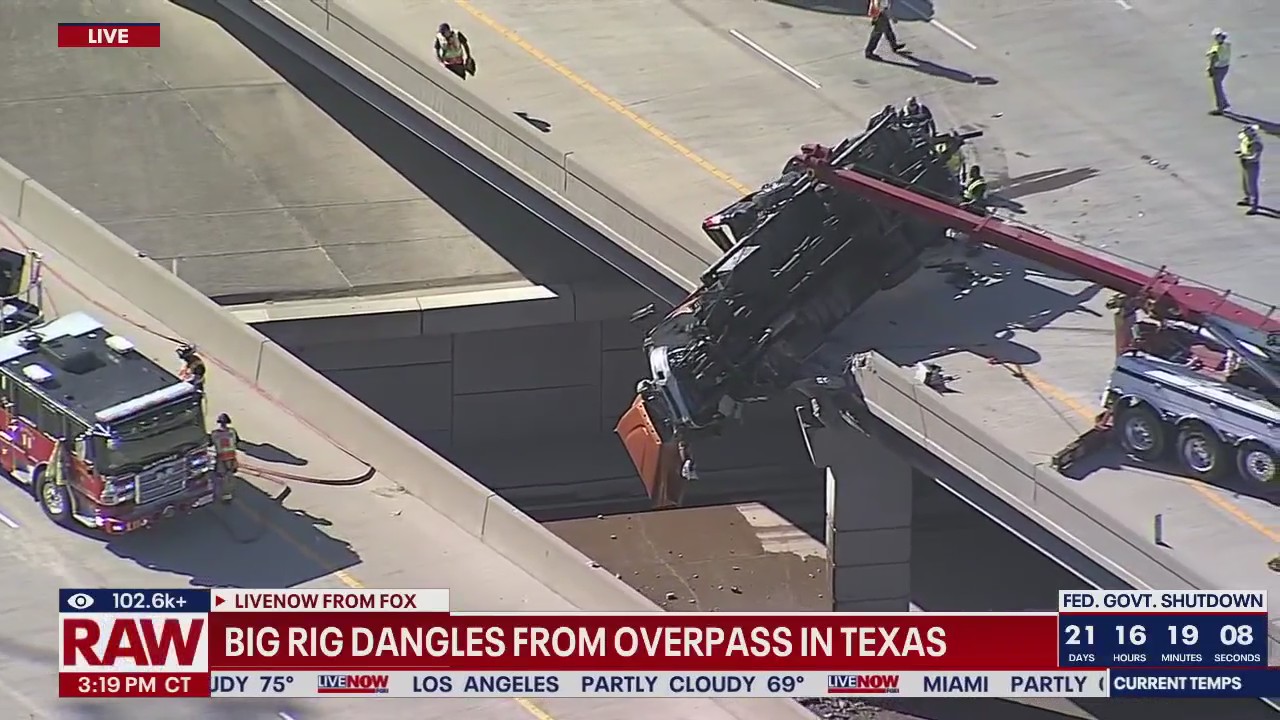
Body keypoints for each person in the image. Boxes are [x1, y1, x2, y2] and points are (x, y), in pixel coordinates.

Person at [210, 413, 239, 503]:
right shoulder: (232, 431)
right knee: (229, 476)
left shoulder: (214, 434)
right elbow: (237, 442)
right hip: (231, 458)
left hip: (221, 459)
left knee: (220, 477)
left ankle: (221, 494)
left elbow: (210, 443)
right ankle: (227, 495)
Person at [1236, 125, 1263, 214]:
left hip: (1252, 165)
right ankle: (1248, 199)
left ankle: (1254, 206)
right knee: (1245, 184)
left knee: (1252, 186)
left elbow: (1255, 157)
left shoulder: (1256, 143)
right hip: (1245, 163)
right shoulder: (1246, 138)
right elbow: (1244, 146)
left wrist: (1246, 158)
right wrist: (1240, 151)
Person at [1206, 28, 1232, 115]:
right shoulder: (1228, 44)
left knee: (1218, 88)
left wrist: (1210, 69)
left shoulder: (1216, 48)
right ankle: (1224, 103)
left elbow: (1214, 59)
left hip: (1218, 68)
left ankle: (1220, 107)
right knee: (1219, 86)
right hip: (1226, 66)